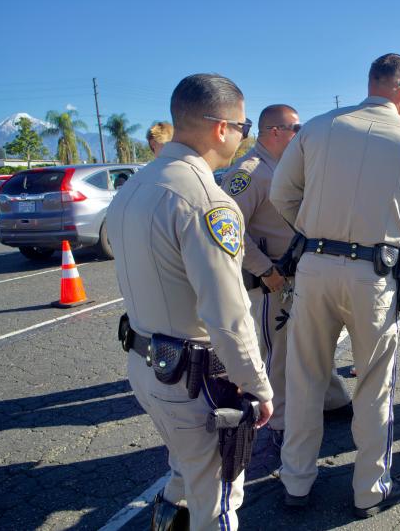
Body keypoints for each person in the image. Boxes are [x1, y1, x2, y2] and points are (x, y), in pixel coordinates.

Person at [270, 53, 400, 518]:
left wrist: (318, 234)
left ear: (371, 83)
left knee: (305, 378)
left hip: (313, 268)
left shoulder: (317, 127)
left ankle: (296, 481)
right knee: (374, 384)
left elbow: (282, 194)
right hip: (374, 276)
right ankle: (369, 489)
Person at [106, 73, 273, 530]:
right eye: (244, 125)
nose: (244, 135)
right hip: (194, 378)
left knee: (184, 471)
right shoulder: (206, 201)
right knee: (218, 498)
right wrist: (257, 383)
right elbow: (228, 312)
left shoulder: (135, 186)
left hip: (148, 363)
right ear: (222, 127)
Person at [220, 104, 351, 458]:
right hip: (272, 280)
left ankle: (331, 399)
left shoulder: (287, 168)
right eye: (296, 127)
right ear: (274, 131)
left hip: (298, 274)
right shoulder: (249, 173)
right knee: (278, 355)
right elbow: (229, 231)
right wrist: (264, 269)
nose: (300, 133)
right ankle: (279, 424)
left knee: (313, 342)